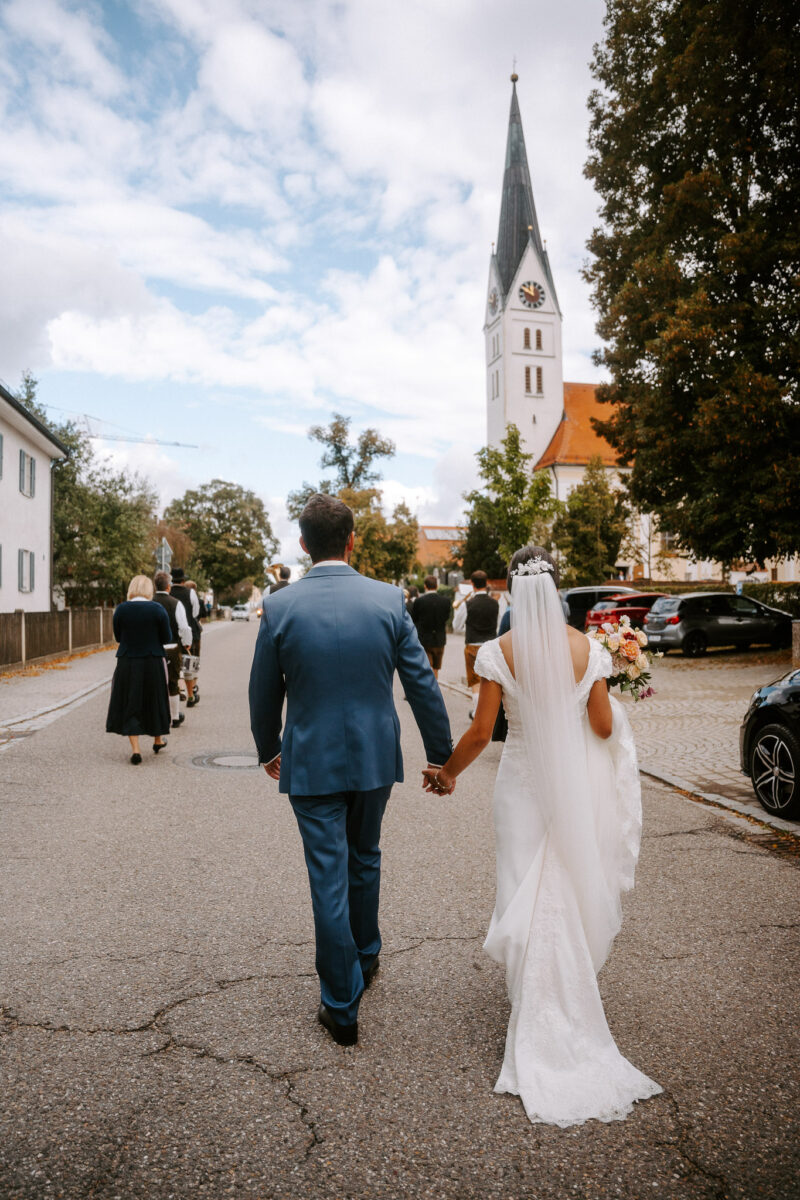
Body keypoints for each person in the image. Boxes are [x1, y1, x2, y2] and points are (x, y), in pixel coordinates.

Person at [422, 545, 661, 1127]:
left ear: (512, 591)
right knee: (562, 882)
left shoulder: (499, 653)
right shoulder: (589, 647)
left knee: (521, 882)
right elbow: (602, 726)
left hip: (521, 784)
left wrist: (447, 773)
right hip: (571, 784)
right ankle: (565, 994)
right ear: (555, 588)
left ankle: (533, 998)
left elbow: (483, 731)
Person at [249, 493, 452, 1047]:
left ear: (303, 543)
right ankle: (366, 954)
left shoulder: (281, 606)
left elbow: (263, 690)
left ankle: (342, 1005)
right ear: (353, 540)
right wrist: (441, 755)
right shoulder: (389, 600)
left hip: (310, 759)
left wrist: (268, 748)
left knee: (327, 875)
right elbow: (421, 684)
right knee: (365, 856)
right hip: (373, 757)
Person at [106, 575, 171, 763]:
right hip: (152, 660)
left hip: (128, 661)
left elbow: (118, 637)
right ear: (149, 589)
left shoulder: (121, 609)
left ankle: (136, 750)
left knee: (131, 701)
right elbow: (166, 637)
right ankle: (158, 739)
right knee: (154, 699)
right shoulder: (158, 610)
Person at [453, 570, 499, 719]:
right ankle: (490, 713)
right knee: (490, 680)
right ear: (486, 583)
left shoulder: (467, 604)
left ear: (472, 584)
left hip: (473, 644)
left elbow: (456, 626)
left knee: (475, 681)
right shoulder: (495, 603)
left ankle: (478, 714)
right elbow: (497, 624)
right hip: (492, 645)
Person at [153, 572, 192, 729]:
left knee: (157, 683)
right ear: (168, 586)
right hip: (172, 647)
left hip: (154, 647)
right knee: (173, 682)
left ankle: (158, 715)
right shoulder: (175, 603)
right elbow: (183, 627)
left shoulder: (150, 603)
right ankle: (174, 717)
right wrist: (186, 643)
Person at [170, 568, 200, 706]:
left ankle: (178, 690)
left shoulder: (168, 593)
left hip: (170, 635)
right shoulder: (190, 592)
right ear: (183, 580)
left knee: (173, 666)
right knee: (189, 665)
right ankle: (190, 694)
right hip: (188, 634)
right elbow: (195, 612)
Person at [412, 576, 452, 679]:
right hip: (440, 639)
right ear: (437, 586)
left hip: (424, 639)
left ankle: (428, 691)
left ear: (425, 586)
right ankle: (435, 689)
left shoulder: (419, 601)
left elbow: (414, 619)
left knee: (426, 667)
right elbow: (446, 617)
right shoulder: (446, 601)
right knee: (436, 667)